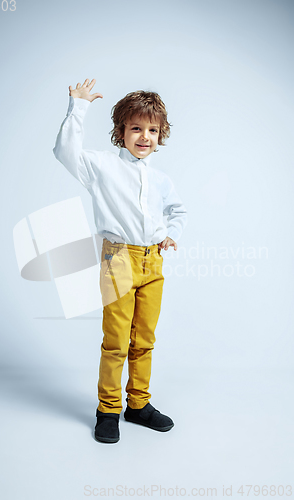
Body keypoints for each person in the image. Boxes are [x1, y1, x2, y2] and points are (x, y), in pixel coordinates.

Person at [53, 78, 187, 444]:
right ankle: (107, 410)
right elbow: (65, 152)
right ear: (121, 131)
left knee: (144, 340)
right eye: (136, 128)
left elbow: (178, 210)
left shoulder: (160, 179)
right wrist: (78, 106)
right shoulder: (101, 167)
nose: (144, 136)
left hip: (152, 263)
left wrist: (170, 232)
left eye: (152, 130)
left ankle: (138, 405)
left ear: (161, 135)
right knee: (115, 341)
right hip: (118, 260)